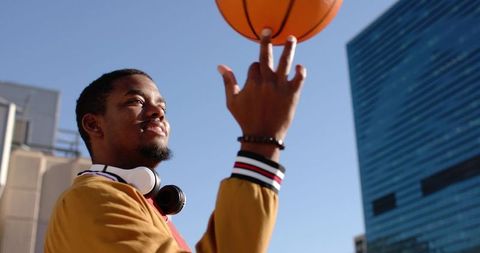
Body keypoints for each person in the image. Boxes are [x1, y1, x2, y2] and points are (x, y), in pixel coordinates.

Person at [44, 28, 306, 253]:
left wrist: (264, 141)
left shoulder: (144, 206)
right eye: (136, 101)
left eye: (163, 108)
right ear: (93, 124)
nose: (157, 111)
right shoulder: (90, 198)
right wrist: (261, 140)